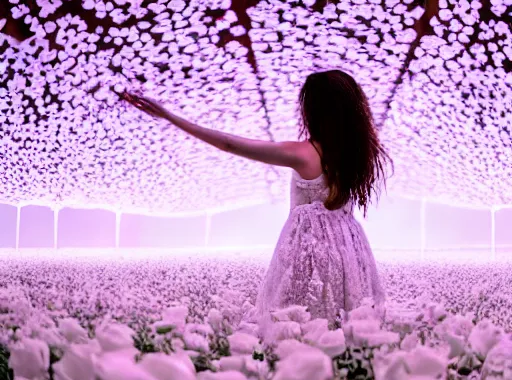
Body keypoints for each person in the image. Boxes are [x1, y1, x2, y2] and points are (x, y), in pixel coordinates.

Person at [120, 69, 392, 332]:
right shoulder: (357, 156)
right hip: (349, 248)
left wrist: (169, 116)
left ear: (316, 110)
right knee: (343, 320)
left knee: (297, 319)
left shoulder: (302, 153)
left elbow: (229, 144)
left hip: (309, 248)